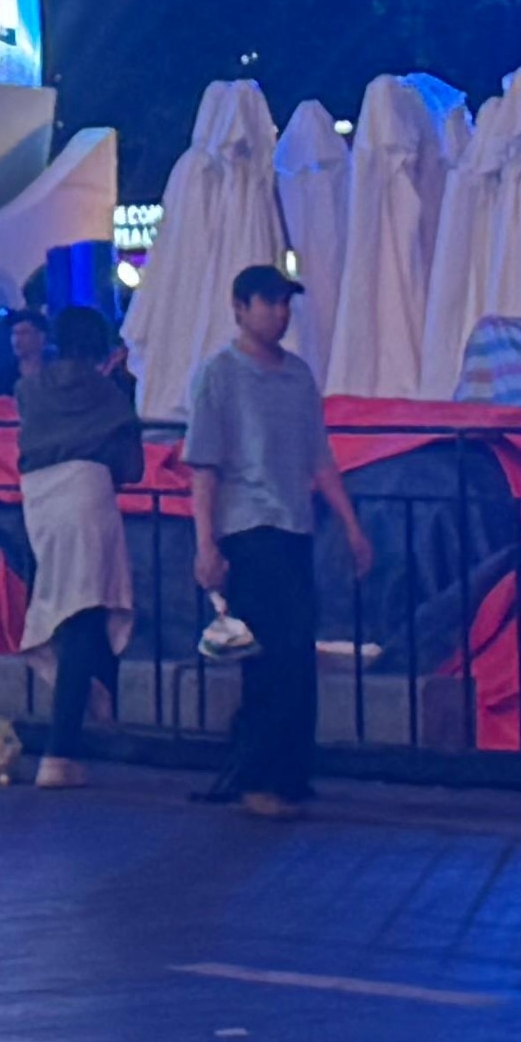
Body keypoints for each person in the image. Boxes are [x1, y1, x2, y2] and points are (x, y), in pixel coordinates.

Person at [180, 262, 366, 819]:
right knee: (271, 655)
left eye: (285, 303)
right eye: (269, 302)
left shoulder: (298, 376)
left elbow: (319, 457)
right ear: (240, 308)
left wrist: (351, 524)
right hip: (247, 527)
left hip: (294, 524)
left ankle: (286, 773)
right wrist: (206, 543)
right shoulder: (219, 374)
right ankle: (260, 777)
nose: (280, 313)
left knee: (295, 653)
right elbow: (204, 466)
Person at [11, 304, 142, 786]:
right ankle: (60, 750)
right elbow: (132, 467)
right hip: (88, 496)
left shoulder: (28, 388)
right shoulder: (108, 394)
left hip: (39, 502)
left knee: (67, 604)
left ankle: (91, 697)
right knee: (87, 608)